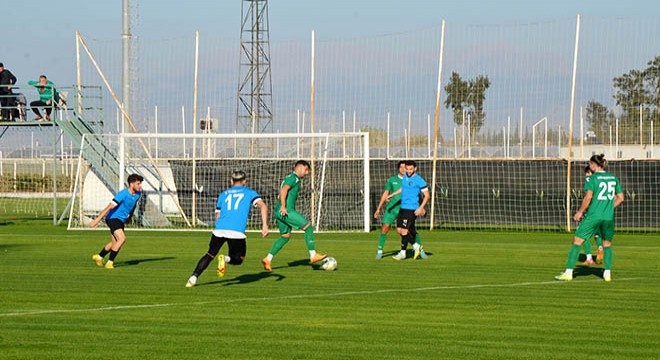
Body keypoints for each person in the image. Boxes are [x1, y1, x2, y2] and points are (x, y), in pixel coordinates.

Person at [186, 170, 269, 288]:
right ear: (244, 181)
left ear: (231, 181)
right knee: (239, 259)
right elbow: (263, 206)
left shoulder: (223, 194)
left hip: (219, 229)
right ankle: (224, 259)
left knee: (210, 254)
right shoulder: (250, 193)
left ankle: (193, 278)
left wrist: (219, 227)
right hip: (236, 231)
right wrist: (265, 225)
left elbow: (218, 215)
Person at [555, 154, 623, 282]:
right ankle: (607, 273)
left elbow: (588, 197)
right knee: (607, 244)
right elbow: (621, 197)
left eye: (590, 164)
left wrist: (580, 211)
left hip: (594, 216)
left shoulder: (592, 179)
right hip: (608, 217)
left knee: (577, 241)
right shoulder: (613, 178)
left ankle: (568, 273)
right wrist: (608, 207)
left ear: (593, 164)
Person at [261, 160, 326, 271]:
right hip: (286, 211)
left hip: (278, 211)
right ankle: (313, 255)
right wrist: (283, 206)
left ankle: (268, 259)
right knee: (308, 227)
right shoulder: (294, 178)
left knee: (285, 236)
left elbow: (282, 192)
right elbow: (284, 189)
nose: (306, 173)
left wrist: (281, 201)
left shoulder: (289, 178)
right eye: (305, 170)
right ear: (299, 167)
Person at [373, 160, 427, 259]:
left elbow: (421, 195)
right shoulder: (396, 179)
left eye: (406, 168)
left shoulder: (416, 179)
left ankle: (418, 250)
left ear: (414, 168)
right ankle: (380, 251)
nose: (404, 169)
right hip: (394, 208)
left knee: (410, 230)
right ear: (399, 168)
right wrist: (379, 207)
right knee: (390, 228)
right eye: (402, 167)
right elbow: (388, 192)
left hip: (409, 209)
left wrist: (421, 207)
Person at [89, 173, 144, 269]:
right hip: (113, 218)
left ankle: (99, 256)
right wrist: (96, 220)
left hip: (120, 220)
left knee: (115, 243)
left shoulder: (138, 194)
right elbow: (109, 207)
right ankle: (110, 262)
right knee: (122, 239)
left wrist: (130, 217)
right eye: (138, 183)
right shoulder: (122, 194)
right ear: (131, 184)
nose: (140, 186)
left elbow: (133, 205)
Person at [387, 160, 430, 261]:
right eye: (407, 169)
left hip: (411, 209)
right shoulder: (405, 177)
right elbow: (403, 188)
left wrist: (420, 208)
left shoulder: (419, 180)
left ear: (415, 168)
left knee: (405, 231)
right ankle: (404, 252)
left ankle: (414, 248)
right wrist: (392, 195)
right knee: (399, 230)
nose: (409, 171)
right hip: (403, 207)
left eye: (411, 169)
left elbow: (427, 196)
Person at [581, 165, 604, 265]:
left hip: (592, 212)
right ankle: (600, 247)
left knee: (582, 234)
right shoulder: (602, 181)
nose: (586, 175)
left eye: (588, 173)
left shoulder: (590, 181)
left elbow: (588, 197)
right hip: (603, 212)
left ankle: (589, 258)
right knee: (596, 233)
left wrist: (581, 211)